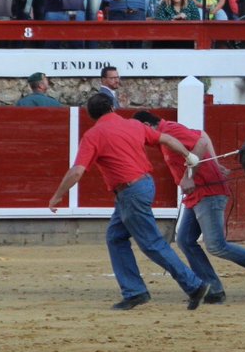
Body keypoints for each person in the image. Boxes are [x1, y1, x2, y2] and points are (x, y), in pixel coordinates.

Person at [47, 93, 210, 311]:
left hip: (130, 192)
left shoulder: (94, 135)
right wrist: (189, 156)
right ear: (112, 108)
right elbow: (168, 139)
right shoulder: (133, 125)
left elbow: (77, 171)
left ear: (91, 115)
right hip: (142, 186)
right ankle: (135, 292)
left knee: (152, 243)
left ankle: (194, 285)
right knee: (115, 237)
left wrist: (58, 195)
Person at [133, 110, 245, 305]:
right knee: (185, 240)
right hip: (197, 194)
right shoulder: (167, 132)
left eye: (140, 131)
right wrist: (214, 162)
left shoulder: (170, 130)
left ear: (147, 125)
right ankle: (213, 289)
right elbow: (203, 135)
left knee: (216, 246)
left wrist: (188, 176)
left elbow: (201, 143)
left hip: (209, 192)